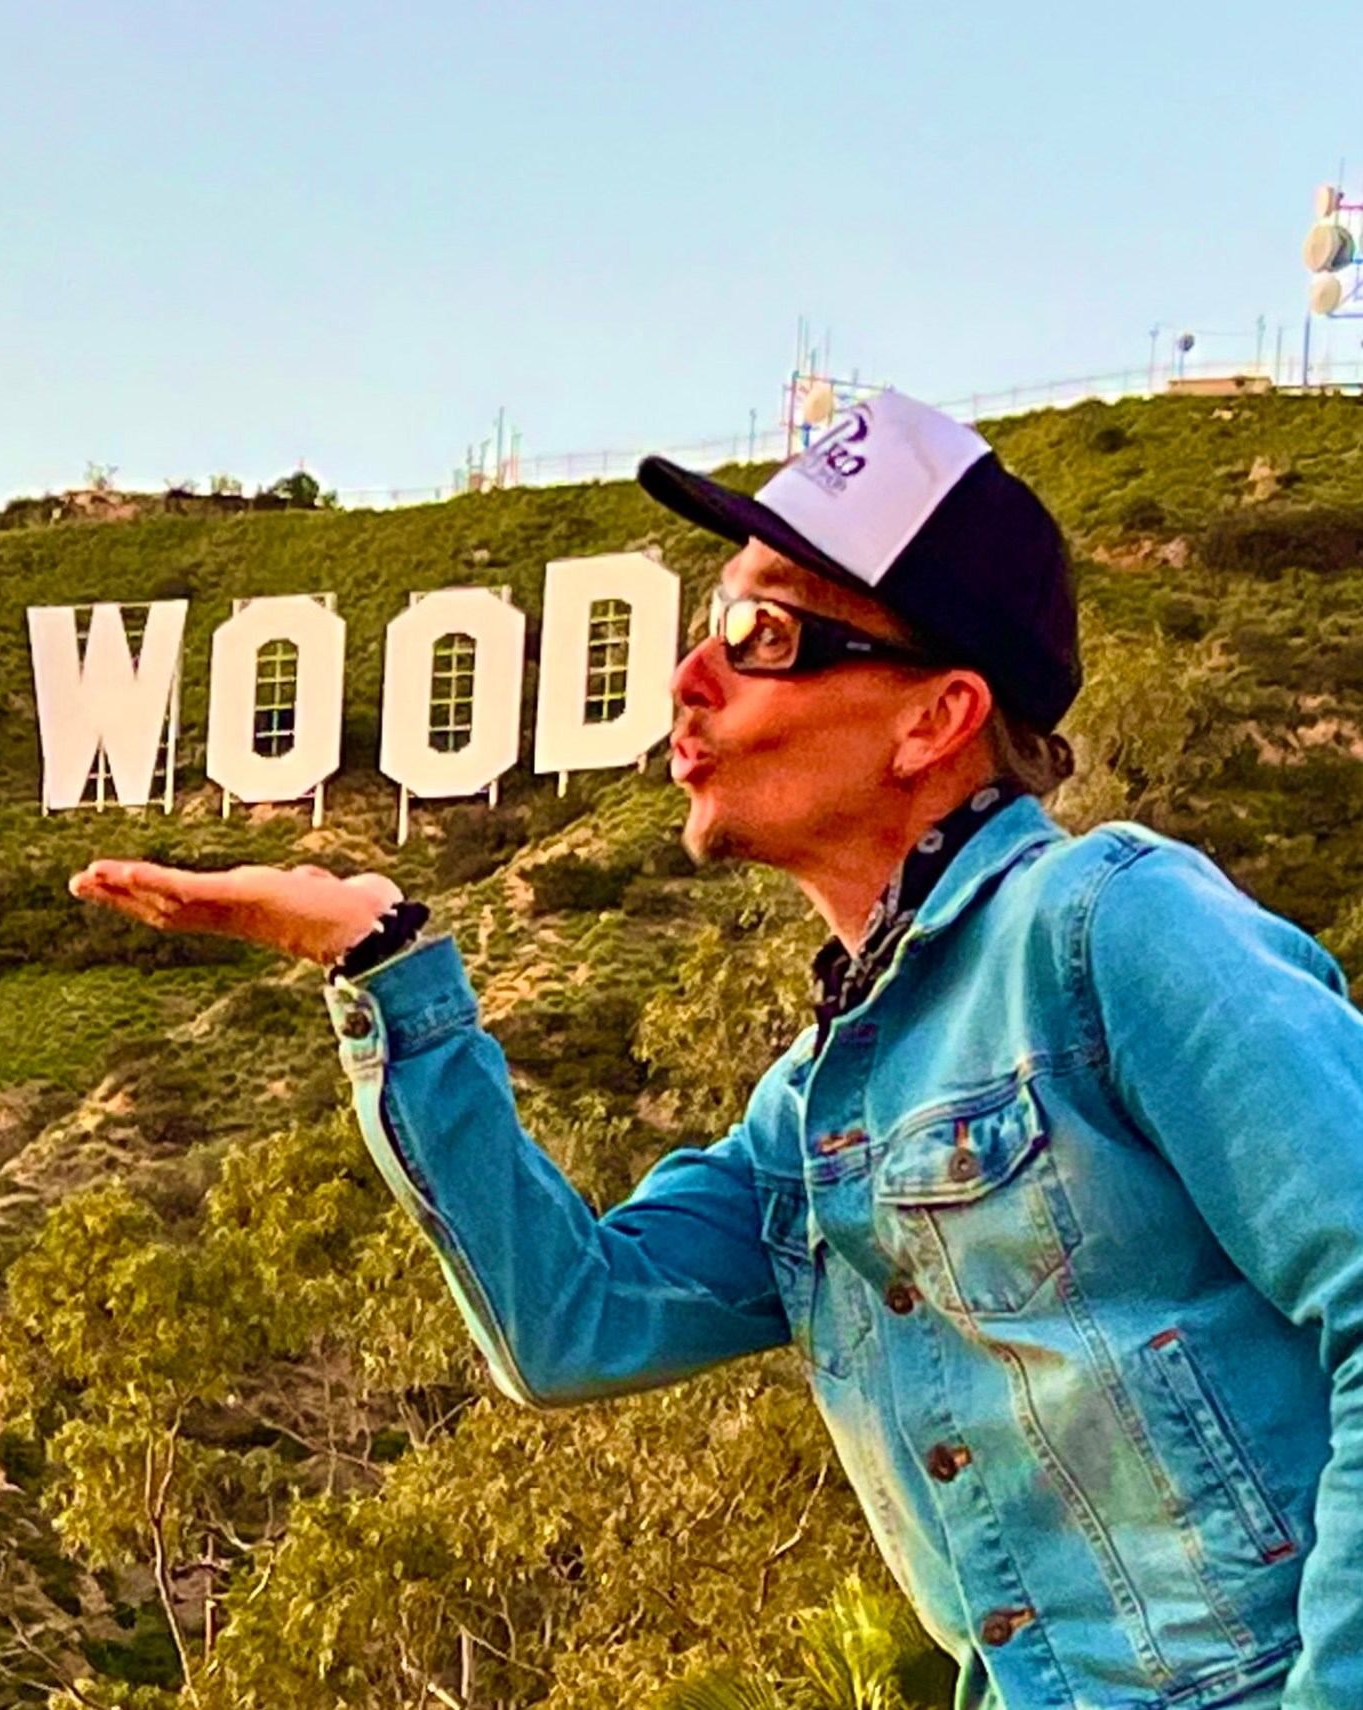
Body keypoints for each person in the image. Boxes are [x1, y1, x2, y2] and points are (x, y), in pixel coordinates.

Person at [69, 390, 1363, 1710]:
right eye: (708, 624)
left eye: (764, 632)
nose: (689, 678)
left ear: (936, 718)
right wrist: (382, 959)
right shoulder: (813, 1111)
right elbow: (571, 1322)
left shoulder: (1107, 926)